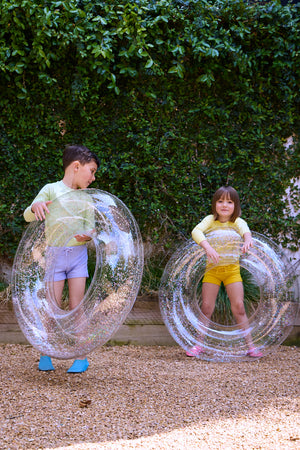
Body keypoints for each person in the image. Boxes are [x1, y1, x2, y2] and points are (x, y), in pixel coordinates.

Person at [24, 144, 100, 372]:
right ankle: (45, 354)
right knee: (52, 306)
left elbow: (92, 228)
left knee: (77, 307)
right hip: (55, 256)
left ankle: (81, 356)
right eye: (92, 171)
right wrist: (35, 205)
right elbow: (28, 215)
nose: (93, 178)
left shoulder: (87, 198)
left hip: (78, 256)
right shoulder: (51, 190)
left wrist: (88, 235)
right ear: (76, 166)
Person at [186, 186, 263, 358]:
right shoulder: (210, 220)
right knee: (206, 307)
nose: (224, 205)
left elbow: (246, 232)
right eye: (220, 201)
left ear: (235, 205)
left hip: (232, 271)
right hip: (212, 271)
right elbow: (196, 231)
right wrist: (207, 247)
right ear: (214, 204)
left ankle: (251, 346)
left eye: (229, 201)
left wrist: (247, 241)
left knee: (239, 307)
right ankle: (199, 345)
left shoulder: (237, 222)